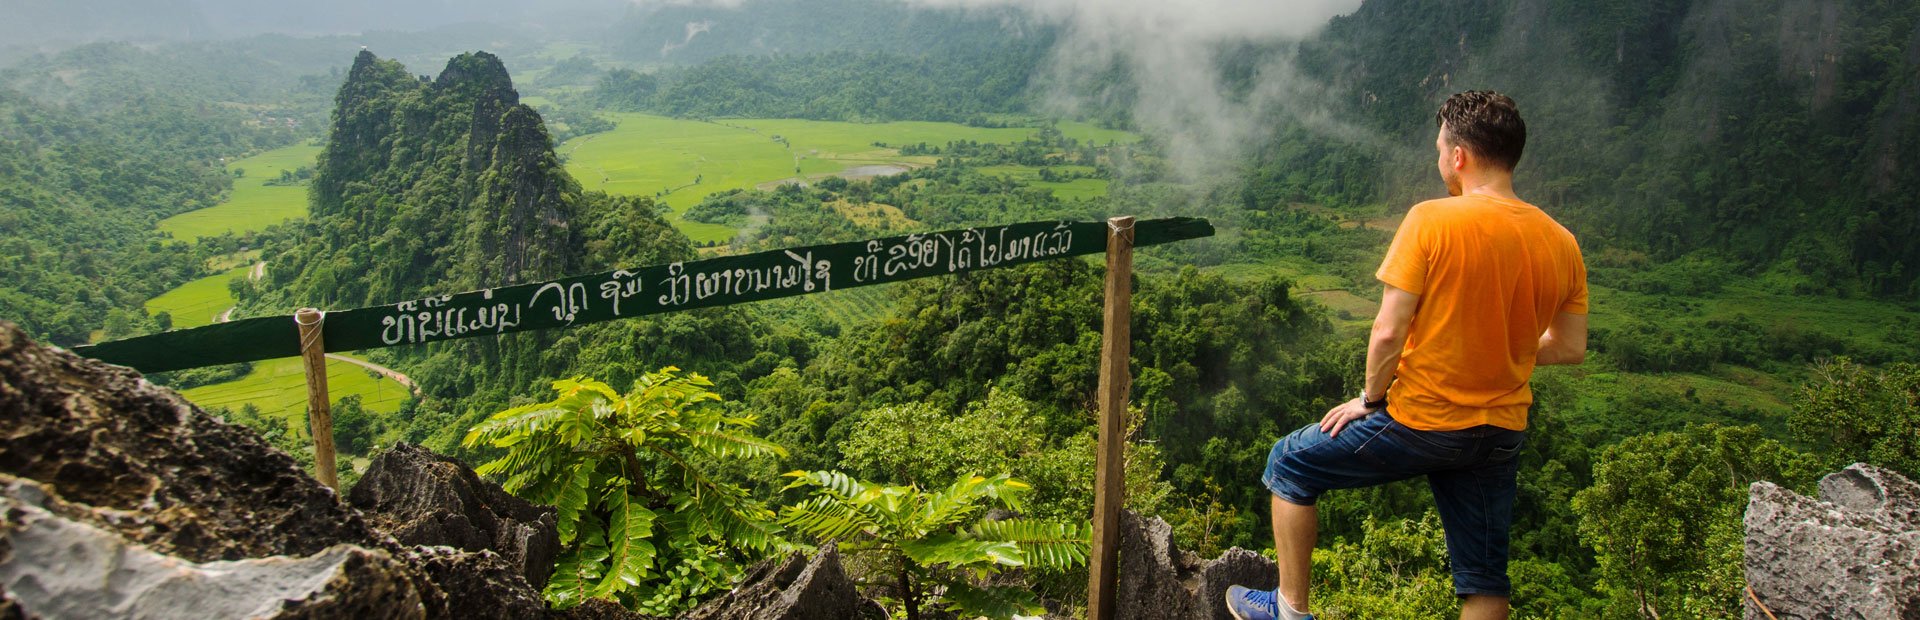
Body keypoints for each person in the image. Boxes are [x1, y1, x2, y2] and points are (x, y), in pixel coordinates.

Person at [1225, 91, 1589, 620]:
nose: (1439, 158)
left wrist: (1371, 399)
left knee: (1290, 463)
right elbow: (1570, 347)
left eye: (1441, 148)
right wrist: (1498, 347)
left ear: (1458, 155)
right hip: (1500, 431)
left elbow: (1387, 331)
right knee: (1484, 576)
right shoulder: (1562, 242)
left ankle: (1289, 609)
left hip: (1425, 420)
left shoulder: (1432, 220)